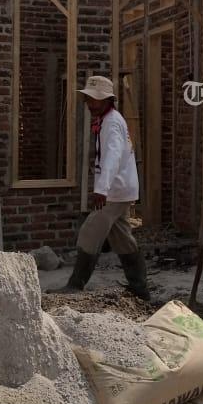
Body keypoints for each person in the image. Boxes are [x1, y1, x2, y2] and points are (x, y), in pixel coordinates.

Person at [59, 75, 149, 299]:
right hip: (119, 189)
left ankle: (76, 283)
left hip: (114, 191)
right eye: (88, 99)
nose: (90, 104)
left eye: (95, 100)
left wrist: (102, 188)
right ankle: (140, 288)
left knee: (89, 232)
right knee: (122, 237)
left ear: (108, 100)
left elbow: (113, 156)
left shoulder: (111, 123)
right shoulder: (108, 119)